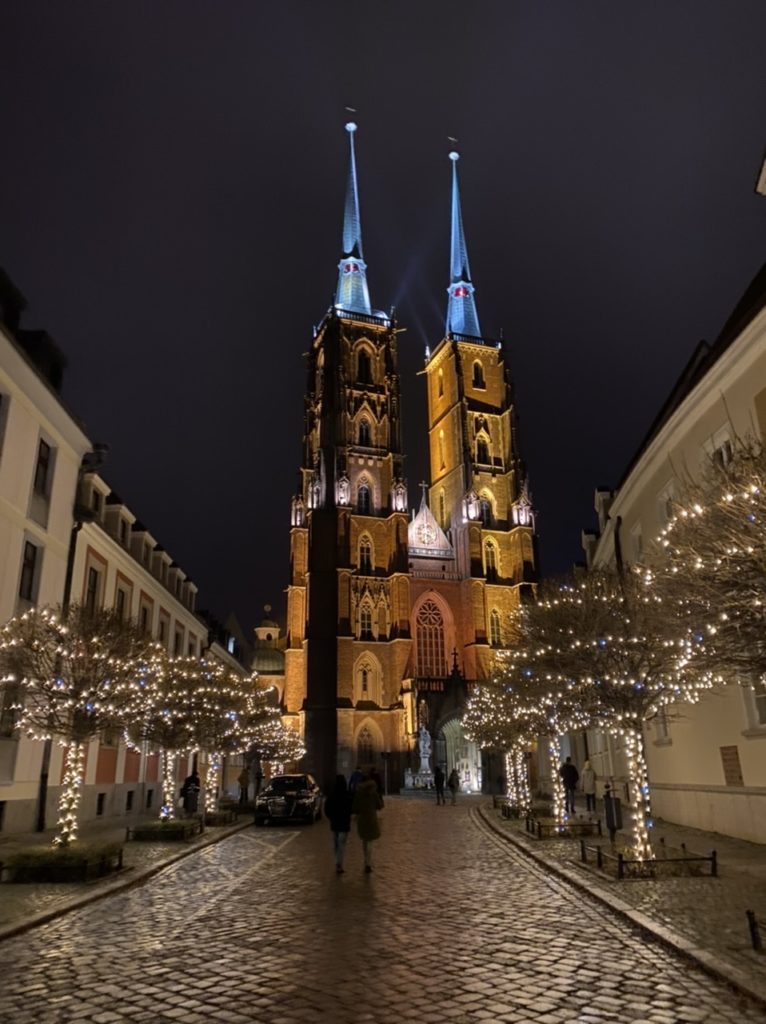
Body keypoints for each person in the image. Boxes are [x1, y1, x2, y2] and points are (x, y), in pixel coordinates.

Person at [352, 771, 384, 873]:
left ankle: (366, 860)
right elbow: (379, 805)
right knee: (370, 841)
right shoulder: (373, 792)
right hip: (371, 818)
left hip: (362, 819)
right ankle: (368, 863)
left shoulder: (359, 793)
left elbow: (355, 807)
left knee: (364, 840)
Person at [324, 774, 354, 874]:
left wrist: (331, 818)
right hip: (344, 823)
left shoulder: (332, 795)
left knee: (336, 844)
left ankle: (337, 862)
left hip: (335, 823)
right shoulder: (347, 795)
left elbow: (327, 809)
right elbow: (352, 808)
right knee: (341, 844)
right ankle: (339, 864)